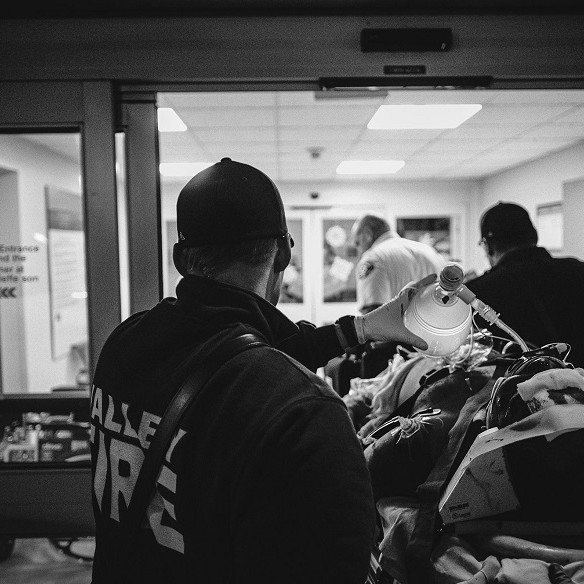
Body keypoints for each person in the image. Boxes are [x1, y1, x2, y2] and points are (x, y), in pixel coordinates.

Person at [89, 157, 435, 584]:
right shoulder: (304, 412)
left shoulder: (124, 344)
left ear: (180, 258)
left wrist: (362, 328)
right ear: (285, 252)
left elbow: (236, 348)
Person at [466, 201, 584, 367]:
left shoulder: (476, 294)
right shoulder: (578, 269)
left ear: (488, 246)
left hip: (523, 391)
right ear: (534, 235)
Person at [352, 214, 446, 315]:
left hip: (399, 330)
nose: (358, 250)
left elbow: (371, 316)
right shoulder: (430, 252)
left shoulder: (374, 258)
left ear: (367, 234)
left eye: (357, 243)